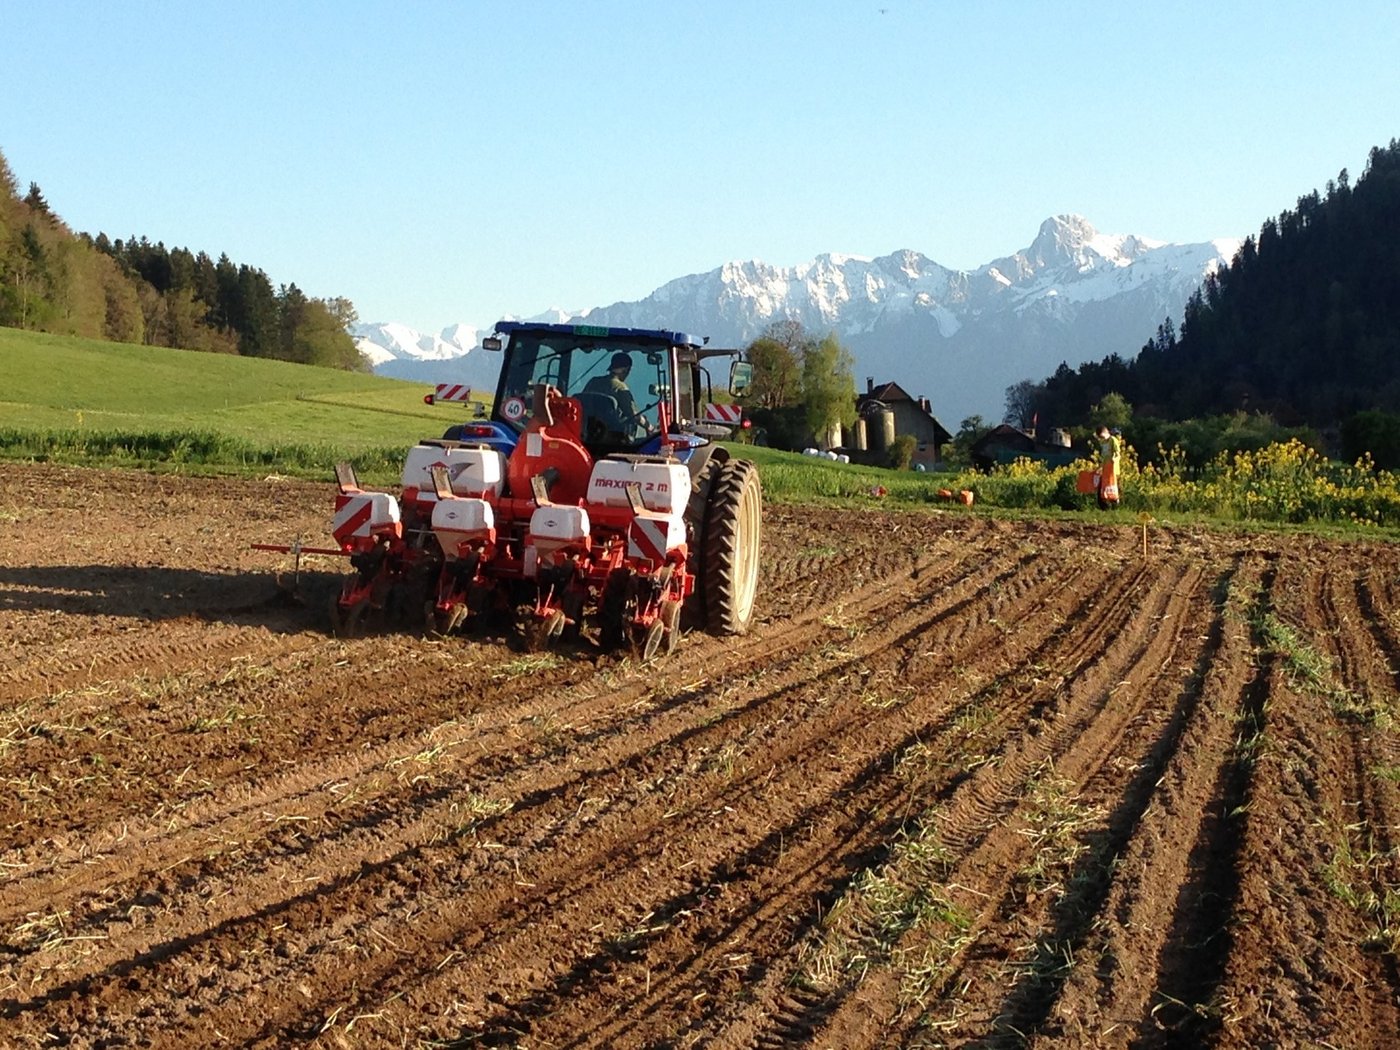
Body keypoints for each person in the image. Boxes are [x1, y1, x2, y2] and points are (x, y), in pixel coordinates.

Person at [584, 352, 646, 435]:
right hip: (610, 436)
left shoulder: (593, 382)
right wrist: (649, 427)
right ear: (626, 370)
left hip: (586, 432)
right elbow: (633, 415)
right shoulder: (620, 388)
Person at [1096, 425, 1122, 509]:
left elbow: (1117, 453)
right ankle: (1104, 508)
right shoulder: (1103, 443)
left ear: (1107, 433)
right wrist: (1100, 467)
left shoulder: (1113, 440)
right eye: (1100, 437)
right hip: (1105, 469)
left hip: (1113, 470)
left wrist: (1114, 459)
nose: (1101, 439)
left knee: (1114, 488)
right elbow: (1103, 456)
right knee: (1102, 490)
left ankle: (1116, 506)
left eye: (1102, 437)